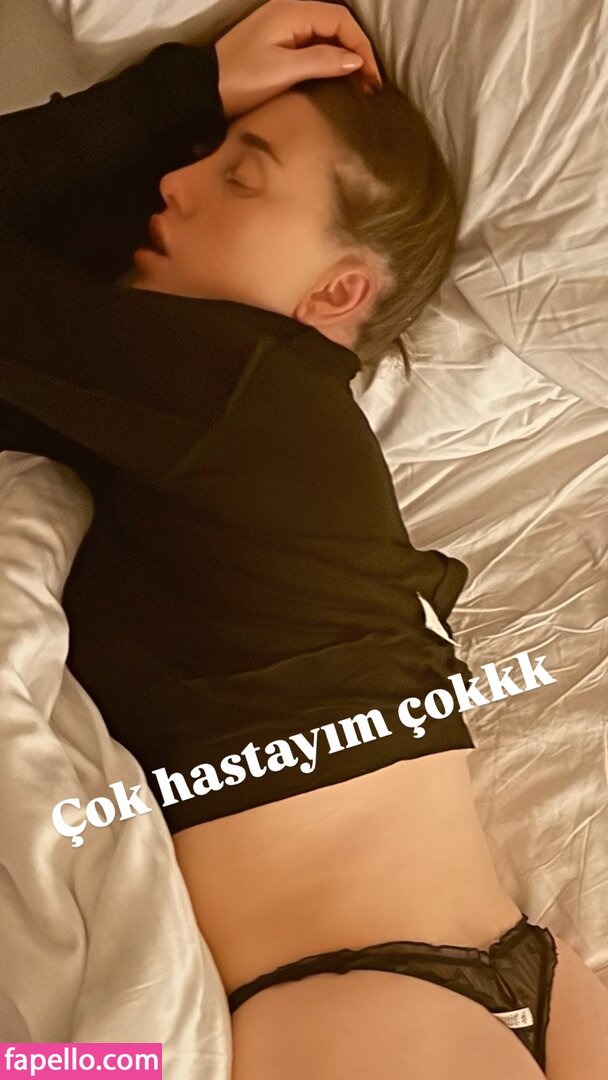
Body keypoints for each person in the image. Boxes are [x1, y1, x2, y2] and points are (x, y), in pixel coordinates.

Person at [0, 0, 606, 1075]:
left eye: (241, 176)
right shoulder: (239, 420)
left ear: (336, 289)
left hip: (359, 978)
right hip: (507, 967)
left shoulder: (232, 388)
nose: (173, 182)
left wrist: (175, 92)